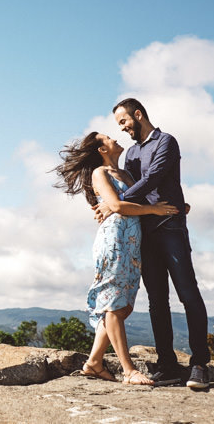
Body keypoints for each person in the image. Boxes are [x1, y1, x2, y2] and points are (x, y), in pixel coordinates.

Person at [97, 98, 211, 390]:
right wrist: (115, 204)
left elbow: (153, 178)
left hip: (170, 226)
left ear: (138, 115)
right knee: (157, 302)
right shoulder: (131, 152)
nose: (122, 129)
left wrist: (116, 205)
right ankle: (168, 364)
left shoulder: (166, 142)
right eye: (118, 126)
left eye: (123, 122)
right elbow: (131, 187)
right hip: (145, 232)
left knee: (188, 293)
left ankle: (199, 364)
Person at [56, 131, 180, 385]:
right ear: (102, 150)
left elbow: (135, 202)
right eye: (108, 138)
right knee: (114, 303)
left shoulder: (127, 175)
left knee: (122, 306)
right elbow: (118, 205)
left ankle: (93, 363)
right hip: (114, 241)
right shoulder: (99, 173)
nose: (114, 139)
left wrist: (175, 205)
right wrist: (154, 210)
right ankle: (128, 370)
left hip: (132, 243)